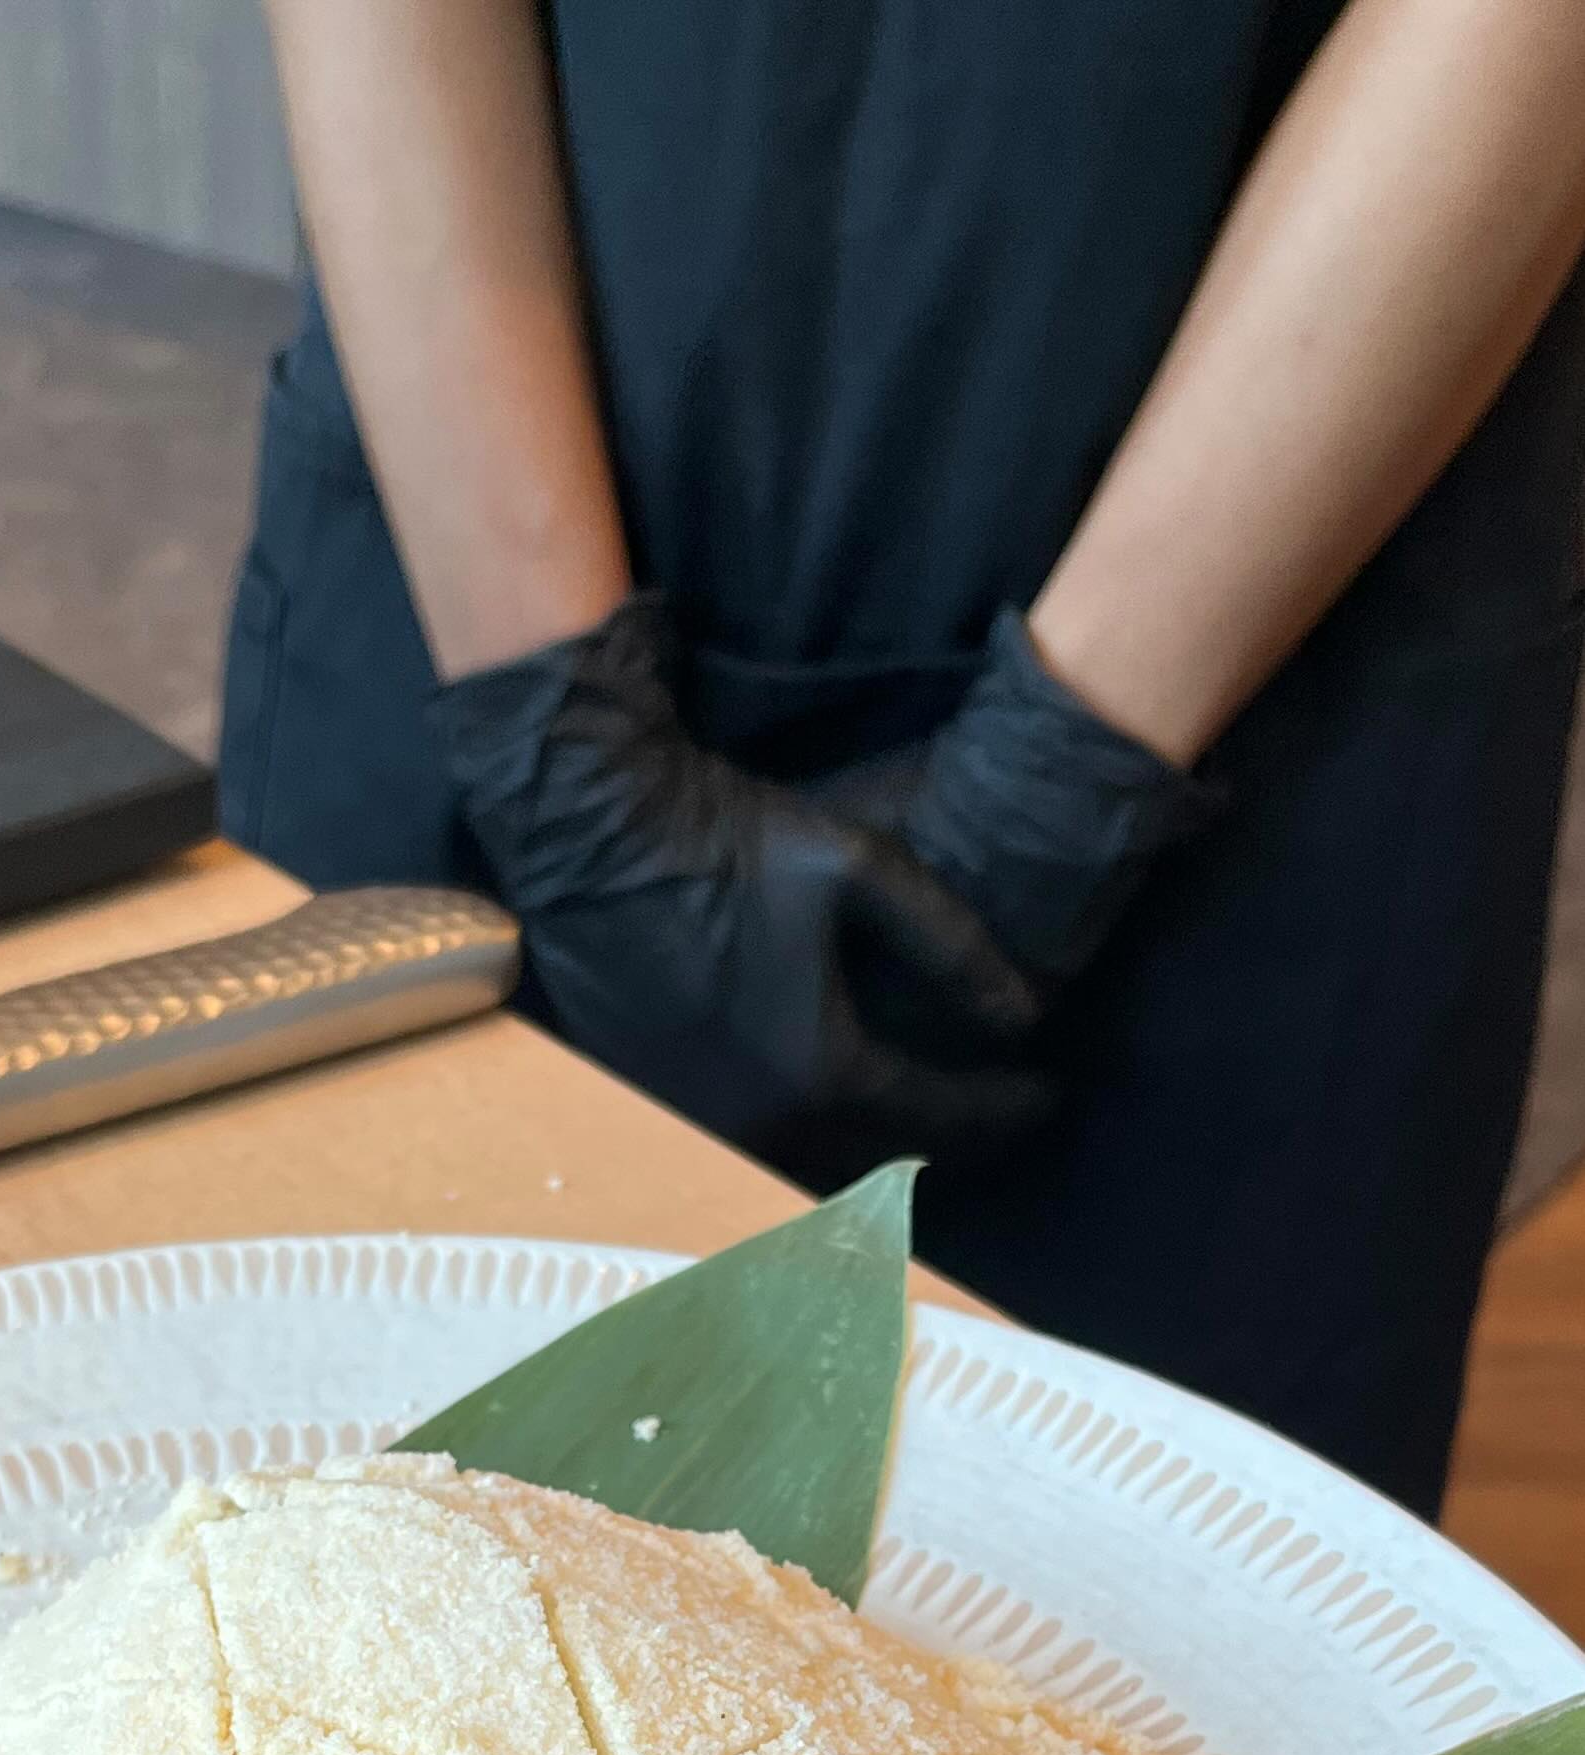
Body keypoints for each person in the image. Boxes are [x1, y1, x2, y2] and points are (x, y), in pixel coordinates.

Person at [220, 0, 1585, 1517]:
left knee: (1167, 1606)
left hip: (1287, 582)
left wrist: (1061, 776)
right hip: (470, 527)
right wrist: (560, 751)